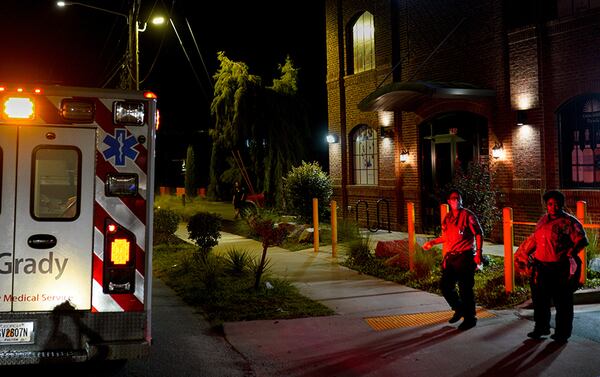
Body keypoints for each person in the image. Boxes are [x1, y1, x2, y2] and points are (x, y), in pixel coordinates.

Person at [516, 190, 588, 342]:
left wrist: (570, 253)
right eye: (550, 204)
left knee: (563, 302)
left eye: (556, 204)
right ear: (546, 205)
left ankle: (563, 333)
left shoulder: (569, 222)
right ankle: (541, 328)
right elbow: (536, 239)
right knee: (540, 300)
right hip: (542, 267)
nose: (553, 207)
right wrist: (524, 254)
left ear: (561, 204)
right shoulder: (542, 220)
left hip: (560, 268)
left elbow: (581, 240)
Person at [423, 189, 484, 330]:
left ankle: (470, 319)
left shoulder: (468, 216)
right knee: (445, 286)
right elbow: (447, 237)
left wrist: (478, 253)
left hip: (465, 256)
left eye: (458, 198)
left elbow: (479, 233)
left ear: (461, 200)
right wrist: (432, 242)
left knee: (465, 289)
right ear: (449, 202)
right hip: (452, 257)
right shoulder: (448, 217)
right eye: (453, 198)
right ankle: (459, 308)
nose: (456, 200)